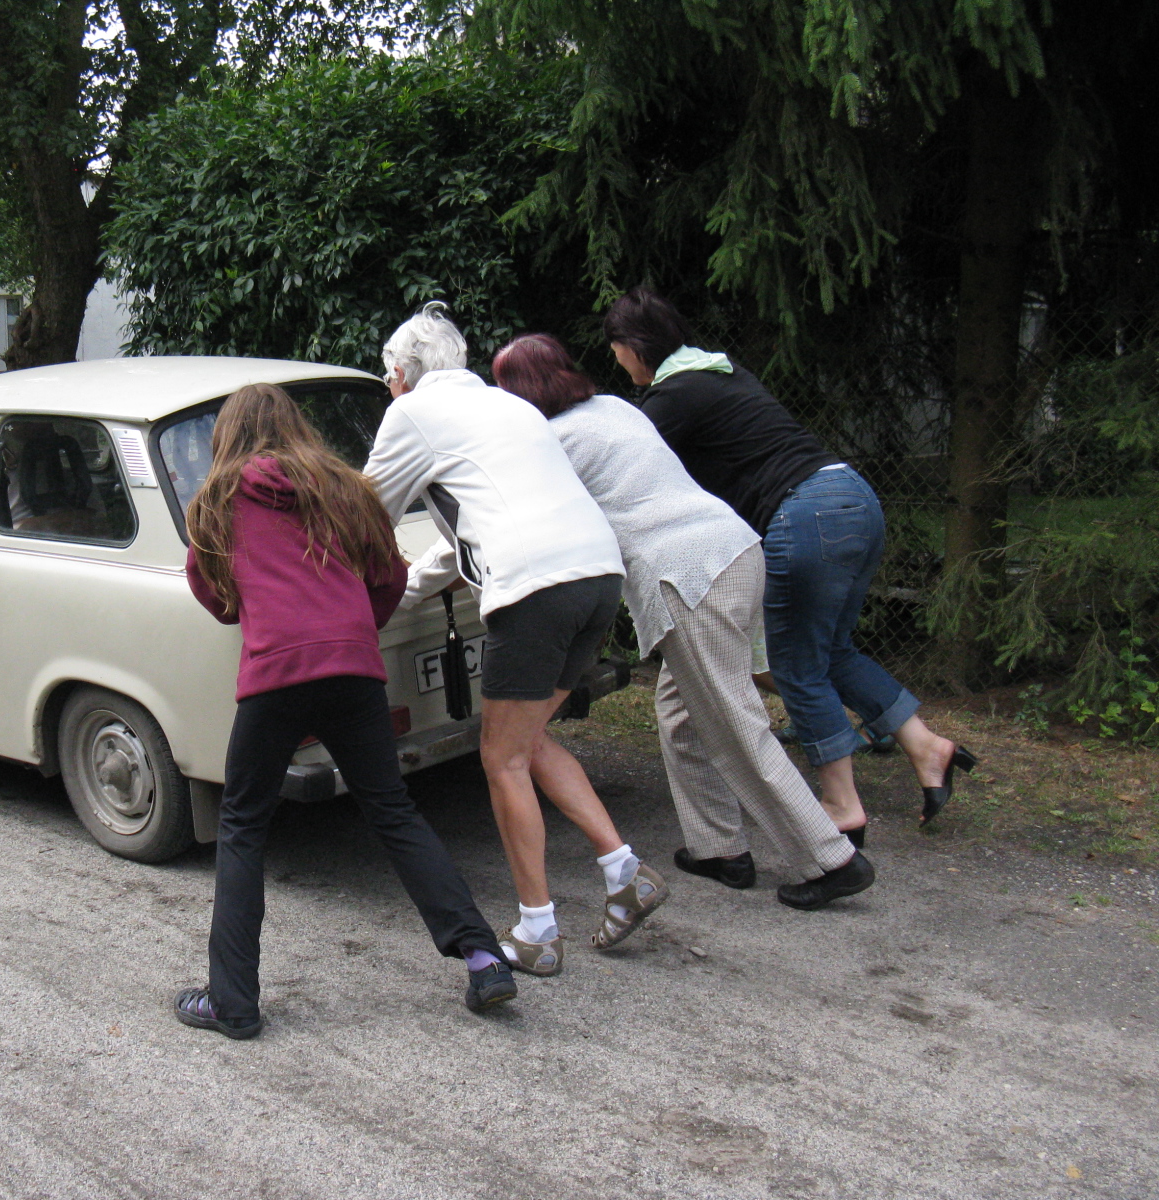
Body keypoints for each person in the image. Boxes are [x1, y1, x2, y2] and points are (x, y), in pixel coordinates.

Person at [175, 383, 516, 1040]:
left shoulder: (216, 499)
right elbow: (388, 579)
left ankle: (232, 1003)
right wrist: (351, 631)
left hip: (275, 672)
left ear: (227, 436)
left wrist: (263, 610)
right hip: (356, 669)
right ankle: (481, 957)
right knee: (392, 811)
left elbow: (214, 595)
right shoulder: (346, 488)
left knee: (244, 824)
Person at [492, 333, 874, 909]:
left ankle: (830, 858)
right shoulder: (615, 407)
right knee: (679, 711)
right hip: (735, 551)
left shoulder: (554, 440)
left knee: (731, 724)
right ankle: (718, 847)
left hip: (686, 576)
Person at [603, 286, 976, 842]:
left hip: (804, 517)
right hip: (852, 497)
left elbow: (624, 466)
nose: (614, 358)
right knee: (833, 652)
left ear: (634, 347)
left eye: (615, 347)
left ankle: (841, 803)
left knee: (796, 664)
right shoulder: (721, 373)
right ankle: (927, 747)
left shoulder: (674, 396)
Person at [363, 302, 667, 977]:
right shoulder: (509, 409)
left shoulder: (411, 414)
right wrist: (411, 591)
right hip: (597, 577)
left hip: (534, 590)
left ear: (402, 374)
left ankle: (535, 929)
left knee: (499, 757)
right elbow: (482, 525)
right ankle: (625, 876)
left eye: (387, 377)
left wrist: (348, 592)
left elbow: (363, 517)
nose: (389, 388)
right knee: (528, 743)